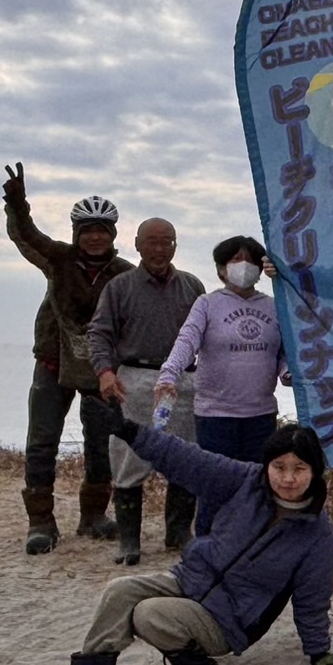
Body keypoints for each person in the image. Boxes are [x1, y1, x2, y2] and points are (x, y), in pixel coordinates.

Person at [24, 405, 333, 665]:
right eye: (279, 466)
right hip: (189, 580)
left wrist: (318, 650)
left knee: (150, 614)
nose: (288, 478)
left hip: (228, 621)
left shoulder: (317, 534)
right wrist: (129, 431)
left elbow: (312, 601)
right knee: (121, 590)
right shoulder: (245, 481)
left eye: (299, 469)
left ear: (316, 471)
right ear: (266, 465)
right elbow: (185, 459)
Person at [3, 163, 130, 552]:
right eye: (87, 231)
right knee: (42, 441)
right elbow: (27, 236)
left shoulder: (124, 274)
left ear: (112, 235)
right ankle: (40, 522)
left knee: (100, 445)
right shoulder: (58, 259)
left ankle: (93, 517)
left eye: (101, 231)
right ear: (77, 234)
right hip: (53, 361)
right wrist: (17, 204)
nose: (94, 237)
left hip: (101, 371)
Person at [87, 218, 206, 563]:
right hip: (134, 381)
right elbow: (100, 334)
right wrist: (104, 372)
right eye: (152, 242)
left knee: (184, 456)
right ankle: (129, 541)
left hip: (183, 383)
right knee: (128, 457)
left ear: (175, 245)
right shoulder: (119, 287)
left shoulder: (192, 286)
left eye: (166, 242)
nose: (159, 249)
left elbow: (207, 339)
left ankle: (178, 534)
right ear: (137, 245)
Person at [156, 235, 287, 536]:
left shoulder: (275, 306)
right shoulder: (207, 304)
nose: (244, 267)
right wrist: (168, 375)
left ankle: (250, 545)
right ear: (221, 269)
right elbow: (187, 340)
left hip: (260, 414)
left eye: (251, 261)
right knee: (214, 486)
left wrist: (289, 373)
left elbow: (285, 352)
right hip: (216, 415)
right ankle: (207, 547)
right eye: (235, 260)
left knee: (256, 486)